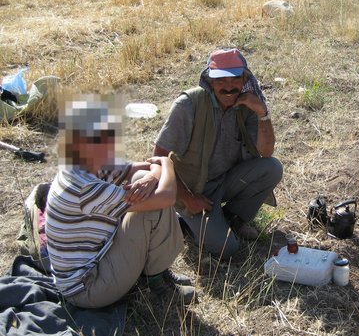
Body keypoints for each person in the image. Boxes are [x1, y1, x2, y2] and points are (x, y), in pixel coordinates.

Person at [45, 94, 196, 308]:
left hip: (96, 263)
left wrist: (153, 176)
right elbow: (167, 197)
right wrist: (168, 165)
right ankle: (157, 285)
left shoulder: (84, 163)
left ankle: (155, 274)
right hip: (87, 289)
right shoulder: (84, 186)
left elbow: (143, 168)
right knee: (152, 208)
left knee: (142, 183)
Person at [154, 48, 283, 258]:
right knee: (227, 249)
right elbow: (158, 158)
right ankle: (184, 217)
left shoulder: (247, 105)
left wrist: (262, 112)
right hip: (193, 188)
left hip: (225, 181)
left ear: (244, 80)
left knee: (272, 168)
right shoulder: (189, 105)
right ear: (210, 81)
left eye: (234, 79)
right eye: (220, 80)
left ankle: (232, 218)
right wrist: (188, 198)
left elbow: (266, 152)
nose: (229, 87)